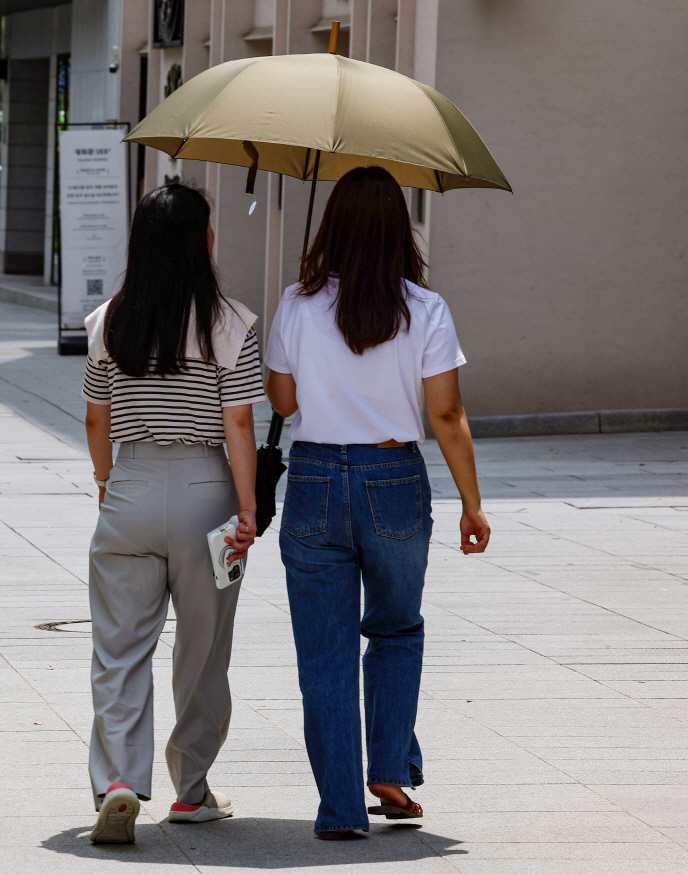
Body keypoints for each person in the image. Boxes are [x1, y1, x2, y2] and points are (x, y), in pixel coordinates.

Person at [262, 166, 491, 840]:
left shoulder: (297, 303)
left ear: (331, 226)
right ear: (401, 229)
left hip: (314, 479)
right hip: (393, 478)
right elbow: (446, 413)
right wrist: (472, 504)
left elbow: (283, 401)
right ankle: (389, 768)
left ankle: (339, 810)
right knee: (395, 629)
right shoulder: (425, 308)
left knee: (324, 651)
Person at [82, 184, 264, 844]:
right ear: (202, 241)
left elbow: (96, 418)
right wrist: (248, 508)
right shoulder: (232, 324)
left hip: (130, 487)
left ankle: (119, 780)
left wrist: (107, 481)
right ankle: (191, 790)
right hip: (208, 494)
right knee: (204, 647)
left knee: (119, 647)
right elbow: (238, 423)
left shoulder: (109, 321)